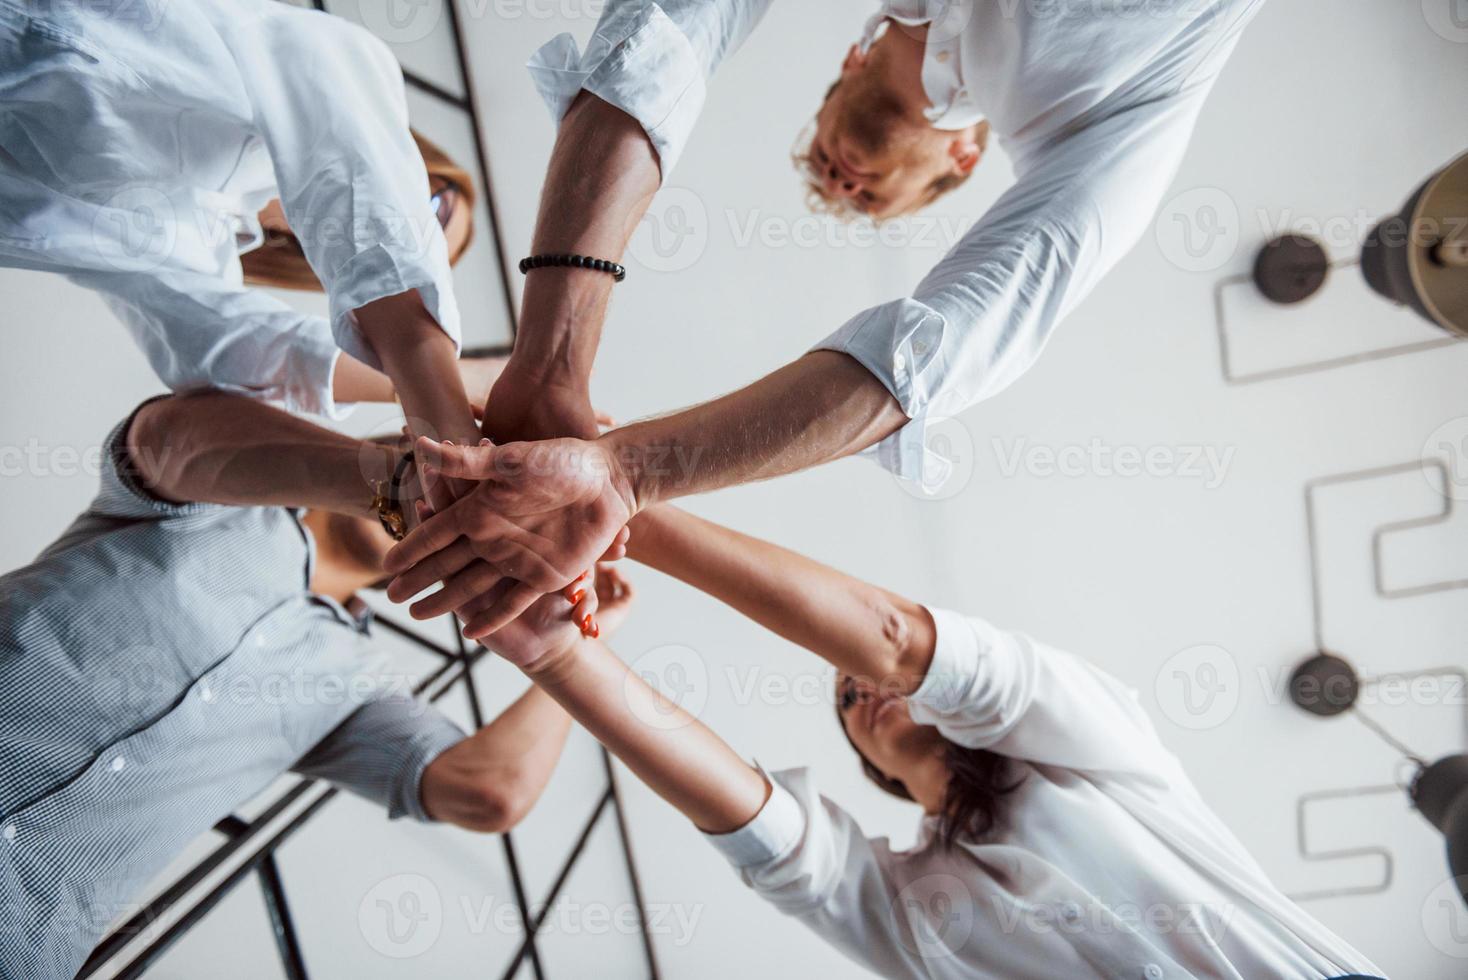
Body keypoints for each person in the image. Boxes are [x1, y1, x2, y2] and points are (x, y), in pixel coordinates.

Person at [384, 0, 1271, 633]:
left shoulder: (1112, 122)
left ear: (966, 161)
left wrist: (612, 455)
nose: (843, 177)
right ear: (847, 63)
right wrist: (559, 380)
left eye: (860, 192)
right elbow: (669, 35)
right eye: (838, 178)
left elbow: (937, 353)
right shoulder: (1135, 99)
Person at [448, 505, 1385, 980]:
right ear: (874, 771)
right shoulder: (916, 908)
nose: (864, 688)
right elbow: (770, 838)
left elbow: (899, 641)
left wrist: (618, 511)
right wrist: (555, 654)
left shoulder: (1102, 759)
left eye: (863, 680)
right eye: (849, 701)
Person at [0, 386, 629, 980]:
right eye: (473, 479)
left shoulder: (353, 684)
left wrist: (574, 646)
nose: (470, 501)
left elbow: (491, 790)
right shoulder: (220, 500)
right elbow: (168, 435)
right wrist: (404, 477)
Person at [0, 0, 481, 447]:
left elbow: (228, 349)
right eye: (435, 210)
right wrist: (433, 365)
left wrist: (454, 382)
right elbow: (348, 151)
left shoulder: (195, 249)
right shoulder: (308, 71)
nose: (418, 234)